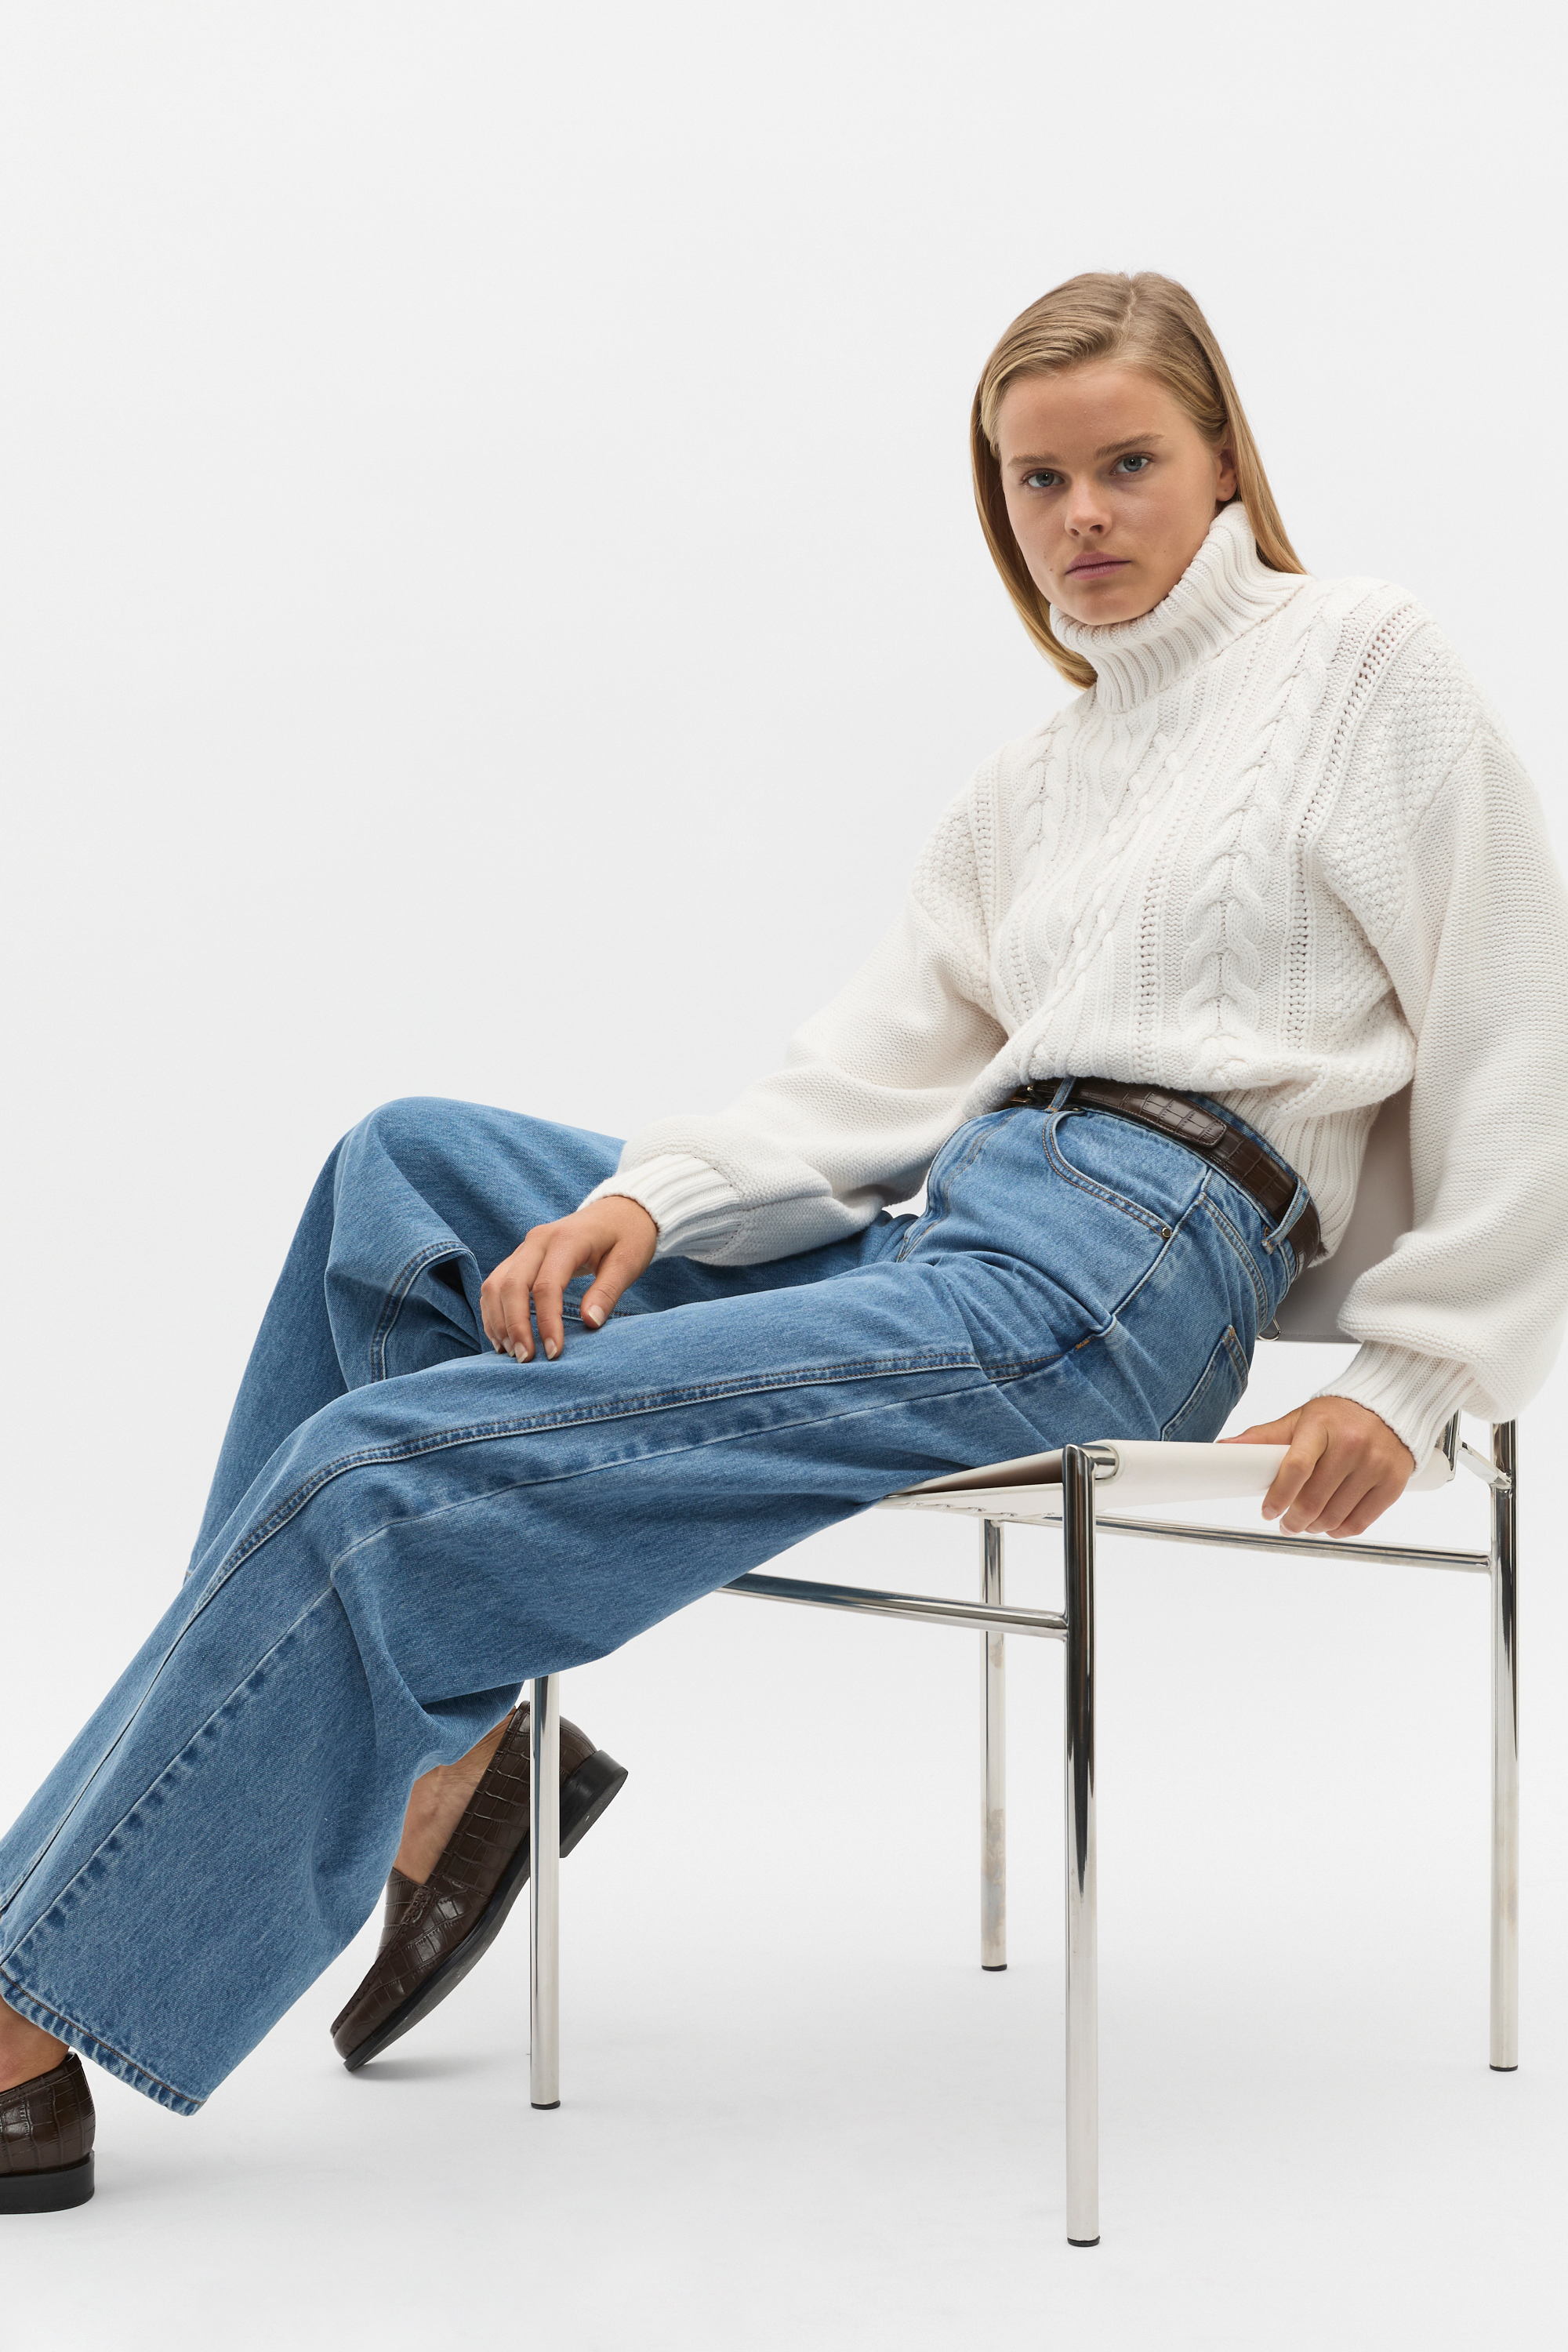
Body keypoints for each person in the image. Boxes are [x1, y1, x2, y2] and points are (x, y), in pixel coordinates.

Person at [4, 270, 1565, 2212]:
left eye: (1127, 464)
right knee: (401, 1177)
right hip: (957, 1229)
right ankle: (440, 1776)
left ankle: (28, 2012)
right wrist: (647, 1200)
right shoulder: (1030, 787)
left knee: (381, 1474)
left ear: (1225, 462)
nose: (1079, 516)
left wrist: (1416, 1382)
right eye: (1036, 481)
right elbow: (872, 1074)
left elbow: (1521, 1021)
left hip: (1125, 1275)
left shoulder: (1361, 661)